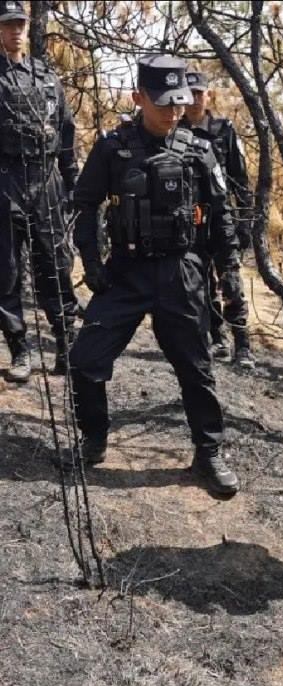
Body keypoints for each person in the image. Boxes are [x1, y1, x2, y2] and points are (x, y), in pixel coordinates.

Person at [68, 55, 242, 496]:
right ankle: (94, 437)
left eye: (179, 102)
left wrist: (228, 272)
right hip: (126, 272)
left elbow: (221, 216)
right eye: (163, 102)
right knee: (86, 360)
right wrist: (91, 263)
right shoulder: (113, 148)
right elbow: (85, 204)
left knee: (197, 369)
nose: (173, 111)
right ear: (138, 98)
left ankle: (209, 453)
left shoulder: (200, 149)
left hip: (181, 272)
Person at [0, 0, 78, 381]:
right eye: (8, 25)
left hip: (46, 181)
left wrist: (72, 182)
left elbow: (66, 131)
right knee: (7, 271)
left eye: (20, 24)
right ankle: (20, 350)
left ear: (27, 27)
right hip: (6, 181)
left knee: (55, 264)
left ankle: (66, 343)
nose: (15, 31)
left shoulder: (46, 77)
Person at [179, 70, 255, 369]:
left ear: (208, 96)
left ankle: (243, 345)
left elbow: (240, 179)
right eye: (189, 94)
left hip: (222, 217)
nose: (194, 99)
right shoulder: (176, 131)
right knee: (200, 284)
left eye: (199, 93)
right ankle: (217, 339)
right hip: (191, 219)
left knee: (231, 282)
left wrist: (245, 222)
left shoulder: (224, 129)